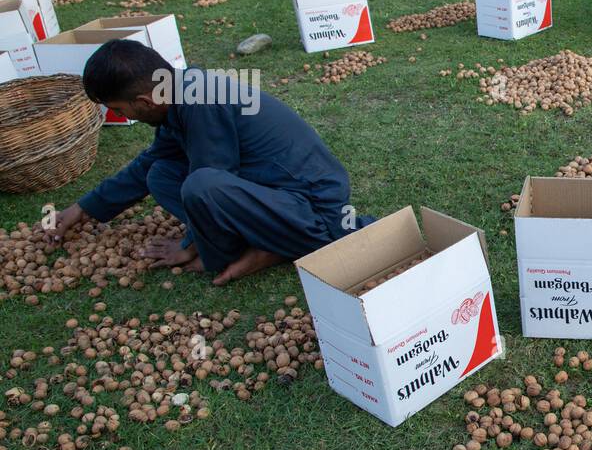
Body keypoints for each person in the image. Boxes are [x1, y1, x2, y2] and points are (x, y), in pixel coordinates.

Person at [45, 39, 370, 286]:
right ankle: (266, 243)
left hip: (312, 208)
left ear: (144, 101)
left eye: (118, 109)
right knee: (159, 174)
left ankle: (267, 248)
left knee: (200, 183)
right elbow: (149, 164)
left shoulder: (201, 101)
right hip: (273, 191)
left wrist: (191, 245)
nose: (119, 115)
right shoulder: (179, 93)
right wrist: (83, 208)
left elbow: (208, 182)